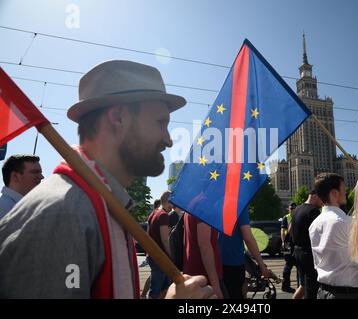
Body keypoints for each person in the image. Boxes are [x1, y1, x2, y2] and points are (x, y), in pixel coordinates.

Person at [0, 60, 215, 299]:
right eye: (160, 123)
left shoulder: (100, 203)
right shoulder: (64, 215)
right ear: (119, 117)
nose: (168, 140)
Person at [309, 173, 358, 299]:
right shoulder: (344, 222)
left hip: (322, 292)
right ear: (334, 193)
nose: (346, 193)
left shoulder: (314, 224)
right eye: (343, 189)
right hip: (345, 294)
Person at [218, 207, 270, 299]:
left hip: (217, 262)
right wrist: (261, 265)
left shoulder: (217, 205)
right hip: (233, 263)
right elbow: (248, 238)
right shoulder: (239, 207)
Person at [184, 212, 226, 298]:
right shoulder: (203, 207)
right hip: (204, 277)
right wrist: (216, 287)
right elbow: (204, 245)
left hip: (194, 273)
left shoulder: (190, 207)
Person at [291, 189, 323, 299]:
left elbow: (290, 230)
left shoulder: (296, 210)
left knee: (303, 285)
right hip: (308, 254)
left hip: (297, 252)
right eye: (321, 199)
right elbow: (319, 234)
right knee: (312, 288)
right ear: (314, 196)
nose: (322, 202)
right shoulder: (313, 211)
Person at [147, 191, 173, 298]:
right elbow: (165, 240)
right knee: (158, 291)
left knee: (159, 288)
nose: (174, 205)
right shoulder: (163, 215)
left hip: (153, 255)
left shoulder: (154, 213)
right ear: (169, 201)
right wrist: (171, 256)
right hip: (161, 257)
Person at [0, 154, 43, 219]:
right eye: (35, 172)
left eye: (40, 172)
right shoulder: (5, 209)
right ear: (15, 176)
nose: (41, 177)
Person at [280, 202, 298, 293]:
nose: (292, 210)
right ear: (288, 209)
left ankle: (300, 286)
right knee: (288, 264)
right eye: (291, 208)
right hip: (288, 243)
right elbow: (282, 231)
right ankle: (286, 285)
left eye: (294, 208)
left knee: (298, 265)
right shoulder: (286, 218)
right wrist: (284, 242)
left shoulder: (298, 216)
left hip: (296, 244)